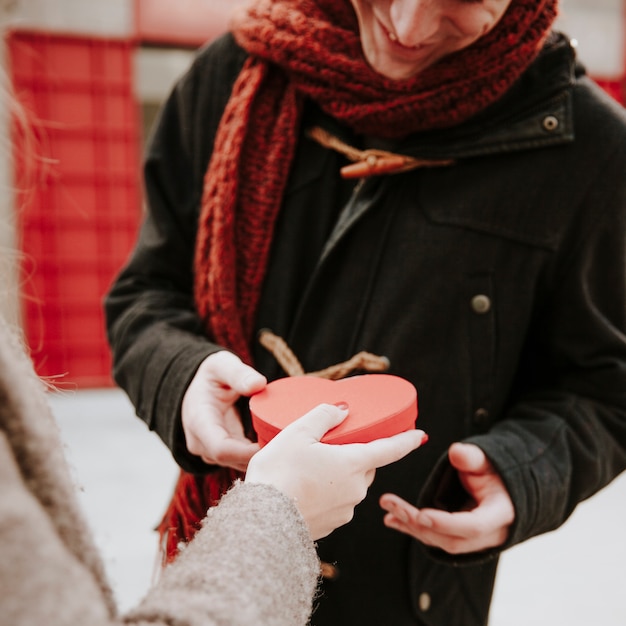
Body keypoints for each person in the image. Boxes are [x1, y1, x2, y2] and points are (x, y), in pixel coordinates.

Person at [104, 0, 626, 624]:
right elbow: (144, 295)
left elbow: (606, 385)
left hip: (412, 599)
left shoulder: (591, 147)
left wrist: (523, 472)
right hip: (225, 573)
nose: (405, 30)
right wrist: (181, 379)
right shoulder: (236, 74)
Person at [0, 313, 425, 625]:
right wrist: (278, 510)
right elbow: (140, 294)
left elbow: (144, 295)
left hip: (417, 586)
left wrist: (496, 459)